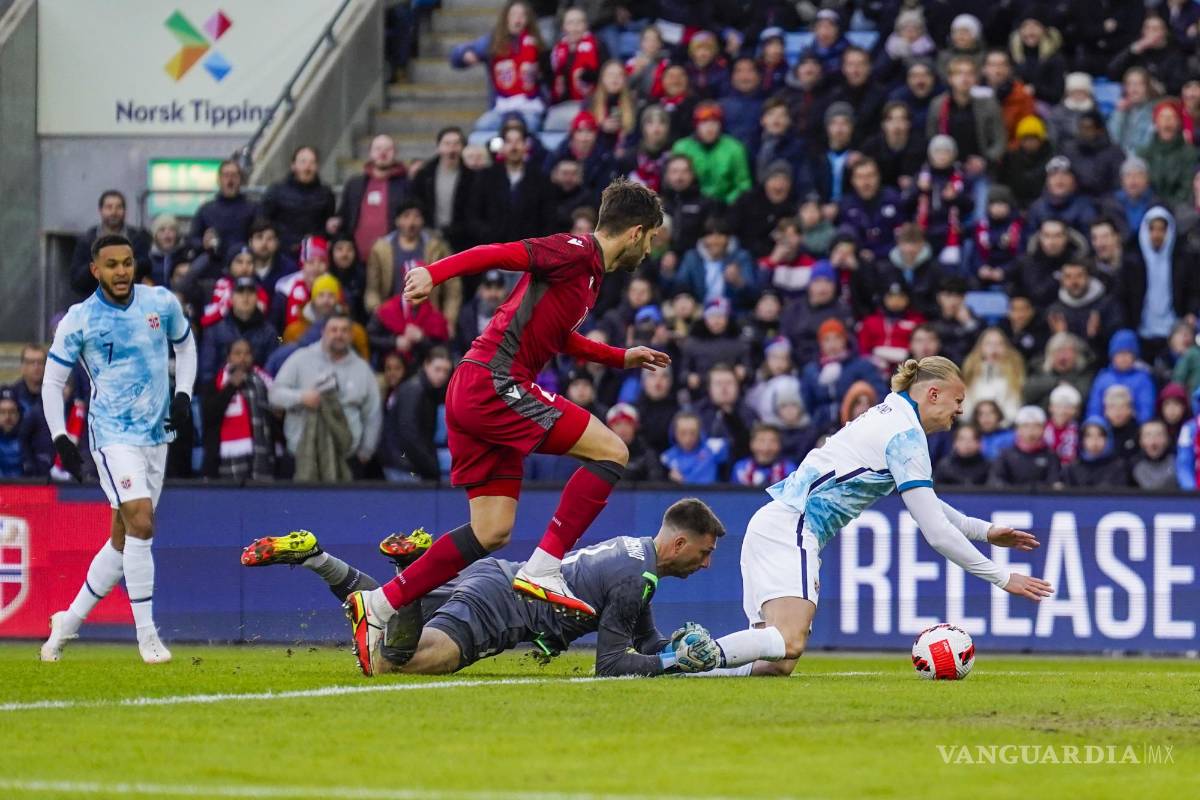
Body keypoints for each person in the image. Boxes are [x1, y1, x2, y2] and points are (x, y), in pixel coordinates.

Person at [341, 179, 670, 675]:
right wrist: (435, 272)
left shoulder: (590, 275)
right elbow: (499, 253)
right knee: (612, 451)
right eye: (650, 241)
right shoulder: (576, 250)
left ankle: (381, 604)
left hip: (477, 390)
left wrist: (620, 357)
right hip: (494, 383)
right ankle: (544, 567)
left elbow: (561, 338)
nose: (648, 252)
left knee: (491, 531)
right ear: (637, 232)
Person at [697, 357, 1050, 677]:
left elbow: (929, 505)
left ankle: (678, 669)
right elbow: (937, 533)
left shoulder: (891, 416)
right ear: (932, 393)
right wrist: (1003, 578)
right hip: (792, 525)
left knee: (775, 665)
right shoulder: (905, 436)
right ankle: (683, 656)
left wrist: (985, 532)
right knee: (788, 642)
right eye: (958, 401)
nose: (960, 411)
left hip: (776, 522)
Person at [241, 498, 726, 677]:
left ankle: (315, 556)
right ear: (680, 543)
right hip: (500, 609)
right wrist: (669, 664)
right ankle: (407, 564)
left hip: (495, 575)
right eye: (704, 553)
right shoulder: (634, 578)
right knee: (392, 661)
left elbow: (641, 639)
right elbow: (612, 663)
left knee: (380, 615)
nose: (705, 565)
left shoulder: (635, 554)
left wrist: (673, 648)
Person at [40, 234, 197, 665]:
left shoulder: (159, 302)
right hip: (112, 436)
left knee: (122, 538)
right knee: (143, 524)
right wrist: (59, 438)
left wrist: (182, 394)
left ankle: (66, 624)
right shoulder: (80, 319)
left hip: (156, 435)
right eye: (112, 265)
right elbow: (53, 382)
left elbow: (185, 345)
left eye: (127, 263)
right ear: (96, 270)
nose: (122, 271)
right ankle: (147, 637)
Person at [269, 313, 382, 483]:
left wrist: (366, 451)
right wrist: (301, 397)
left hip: (347, 459)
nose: (339, 334)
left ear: (351, 335)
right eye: (333, 330)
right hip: (301, 456)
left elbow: (373, 413)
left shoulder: (362, 369)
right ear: (323, 332)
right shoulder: (300, 359)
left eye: (344, 330)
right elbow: (274, 394)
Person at [364, 200, 455, 319]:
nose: (411, 222)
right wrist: (379, 313)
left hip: (429, 317)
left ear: (423, 220)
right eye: (406, 216)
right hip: (392, 315)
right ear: (397, 220)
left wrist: (449, 319)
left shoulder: (437, 248)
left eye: (416, 216)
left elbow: (452, 289)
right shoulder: (380, 249)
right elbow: (372, 288)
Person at [200, 338, 274, 481]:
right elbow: (209, 415)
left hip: (259, 459)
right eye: (237, 353)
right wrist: (231, 386)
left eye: (247, 354)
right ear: (229, 357)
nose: (242, 358)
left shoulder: (262, 382)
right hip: (224, 463)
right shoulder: (215, 384)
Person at [467, 127, 555, 246]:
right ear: (502, 147)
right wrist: (488, 235)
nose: (514, 147)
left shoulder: (540, 178)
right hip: (493, 249)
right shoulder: (486, 177)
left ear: (526, 145)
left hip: (529, 252)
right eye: (509, 142)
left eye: (518, 141)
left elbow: (548, 217)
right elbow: (474, 213)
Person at [379, 347, 452, 483]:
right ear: (426, 365)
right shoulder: (414, 391)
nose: (442, 375)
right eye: (437, 369)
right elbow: (409, 436)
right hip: (404, 467)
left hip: (407, 464)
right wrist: (432, 466)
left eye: (445, 371)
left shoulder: (429, 391)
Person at [337, 134, 410, 262]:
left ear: (395, 153)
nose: (383, 153)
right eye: (378, 148)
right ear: (370, 152)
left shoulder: (406, 186)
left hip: (392, 259)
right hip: (356, 260)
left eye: (388, 149)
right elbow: (344, 216)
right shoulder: (354, 183)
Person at [199, 276, 280, 387]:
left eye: (250, 293)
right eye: (240, 292)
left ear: (257, 298)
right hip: (221, 393)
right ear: (231, 298)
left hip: (257, 392)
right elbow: (207, 371)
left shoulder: (269, 332)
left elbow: (271, 371)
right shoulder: (215, 330)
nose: (245, 297)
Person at [69, 190, 152, 297]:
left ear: (125, 211)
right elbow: (76, 282)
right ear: (101, 210)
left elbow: (147, 266)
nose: (114, 212)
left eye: (118, 207)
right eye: (109, 207)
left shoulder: (137, 238)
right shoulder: (87, 241)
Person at [670, 102, 752, 206]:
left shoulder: (734, 148)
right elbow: (671, 181)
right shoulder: (682, 147)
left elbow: (743, 185)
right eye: (704, 122)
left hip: (724, 205)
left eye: (714, 122)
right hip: (689, 203)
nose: (709, 128)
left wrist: (727, 202)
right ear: (696, 125)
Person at [261, 146, 337, 255]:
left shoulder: (326, 193)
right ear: (293, 165)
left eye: (312, 163)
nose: (307, 167)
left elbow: (329, 225)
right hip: (283, 253)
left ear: (317, 166)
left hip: (314, 256)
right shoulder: (276, 191)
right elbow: (264, 221)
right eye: (303, 162)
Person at [410, 127, 473, 253]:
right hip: (428, 240)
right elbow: (416, 203)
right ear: (438, 147)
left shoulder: (472, 177)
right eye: (447, 144)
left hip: (462, 241)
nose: (452, 149)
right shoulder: (424, 175)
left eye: (456, 144)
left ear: (462, 147)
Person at [188, 158, 258, 256]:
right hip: (213, 262)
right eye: (226, 175)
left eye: (234, 175)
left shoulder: (253, 208)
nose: (230, 180)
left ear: (240, 179)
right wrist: (203, 244)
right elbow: (192, 239)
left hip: (244, 261)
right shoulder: (206, 210)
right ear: (219, 180)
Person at [1086, 330, 1157, 424]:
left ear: (1134, 356)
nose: (1123, 358)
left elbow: (1146, 410)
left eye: (1127, 353)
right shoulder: (1103, 378)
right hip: (1105, 430)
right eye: (1119, 353)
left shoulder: (1143, 379)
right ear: (1112, 356)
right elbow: (1094, 409)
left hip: (1133, 428)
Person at [988, 404, 1061, 489]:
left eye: (1036, 426)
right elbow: (996, 480)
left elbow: (1054, 483)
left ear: (1043, 429)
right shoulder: (1005, 455)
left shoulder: (1050, 455)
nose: (1031, 431)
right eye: (1026, 426)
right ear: (1018, 430)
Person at [660, 410, 727, 485]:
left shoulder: (714, 447)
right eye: (682, 433)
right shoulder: (666, 458)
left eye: (693, 432)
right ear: (674, 433)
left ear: (699, 432)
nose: (688, 438)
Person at [1062, 417, 1130, 488]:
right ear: (1082, 440)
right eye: (1089, 436)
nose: (1095, 441)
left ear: (1108, 438)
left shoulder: (1119, 467)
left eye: (1100, 435)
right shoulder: (1072, 469)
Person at [1131, 418, 1176, 490]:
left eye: (1159, 435)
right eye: (1148, 435)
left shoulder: (1178, 464)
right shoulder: (1132, 466)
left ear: (1167, 439)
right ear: (1140, 441)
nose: (1153, 441)